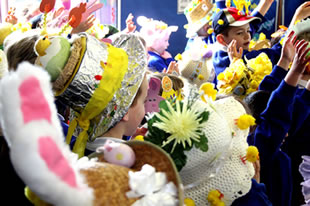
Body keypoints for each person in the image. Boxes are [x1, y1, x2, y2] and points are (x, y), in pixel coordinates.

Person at [244, 30, 310, 206]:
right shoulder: (261, 149)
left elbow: (266, 91)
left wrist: (285, 61)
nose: (285, 132)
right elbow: (277, 111)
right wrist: (295, 70)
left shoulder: (256, 138)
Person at [212, 2, 310, 83]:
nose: (248, 36)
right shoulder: (237, 58)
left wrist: (267, 2)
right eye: (240, 33)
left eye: (248, 30)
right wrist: (297, 19)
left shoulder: (224, 47)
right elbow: (278, 53)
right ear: (221, 39)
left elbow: (252, 25)